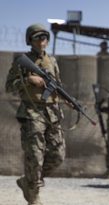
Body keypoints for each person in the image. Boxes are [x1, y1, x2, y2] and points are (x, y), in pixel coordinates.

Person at [5, 23, 65, 205]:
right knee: (35, 156)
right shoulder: (22, 61)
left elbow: (58, 86)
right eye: (37, 37)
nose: (41, 41)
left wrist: (67, 100)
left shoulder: (52, 61)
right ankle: (33, 194)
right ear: (29, 40)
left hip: (52, 113)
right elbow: (9, 87)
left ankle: (28, 181)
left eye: (44, 37)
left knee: (57, 156)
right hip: (32, 112)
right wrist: (28, 79)